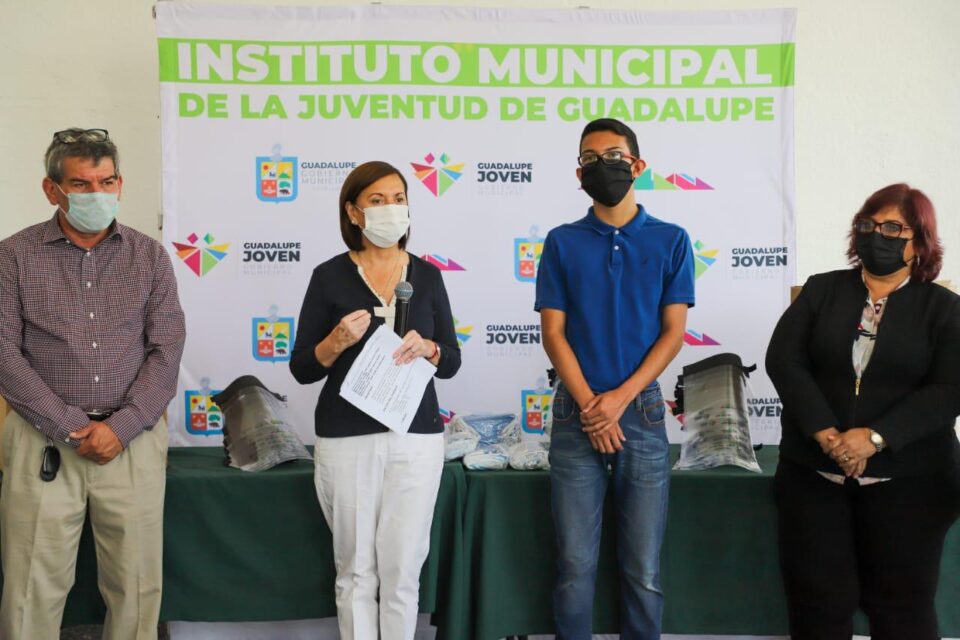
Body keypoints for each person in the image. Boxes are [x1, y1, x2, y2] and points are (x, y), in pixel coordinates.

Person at [0, 128, 186, 639]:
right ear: (52, 190)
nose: (96, 194)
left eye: (107, 182)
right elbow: (4, 353)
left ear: (120, 183)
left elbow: (167, 349)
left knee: (137, 589)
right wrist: (69, 425)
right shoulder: (13, 256)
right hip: (43, 442)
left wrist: (121, 427)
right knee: (31, 589)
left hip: (132, 442)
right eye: (81, 184)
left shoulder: (149, 256)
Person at [766, 183, 960, 640]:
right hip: (815, 475)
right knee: (817, 606)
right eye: (868, 225)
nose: (877, 235)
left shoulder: (944, 308)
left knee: (902, 609)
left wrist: (874, 437)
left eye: (893, 228)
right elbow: (784, 361)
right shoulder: (821, 290)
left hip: (912, 482)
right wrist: (826, 434)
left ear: (920, 241)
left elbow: (949, 389)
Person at [535, 118, 695, 639]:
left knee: (643, 569)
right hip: (575, 413)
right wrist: (592, 407)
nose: (601, 166)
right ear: (578, 172)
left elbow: (673, 333)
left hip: (641, 411)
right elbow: (553, 334)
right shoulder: (562, 242)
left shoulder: (672, 240)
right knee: (574, 566)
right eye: (589, 158)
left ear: (637, 166)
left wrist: (619, 400)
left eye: (613, 156)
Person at [289, 160, 461, 640]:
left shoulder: (427, 277)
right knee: (356, 573)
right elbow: (302, 367)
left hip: (416, 438)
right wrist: (335, 342)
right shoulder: (329, 277)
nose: (391, 209)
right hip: (347, 440)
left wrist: (429, 348)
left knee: (403, 573)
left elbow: (451, 360)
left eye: (399, 199)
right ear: (354, 212)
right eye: (377, 200)